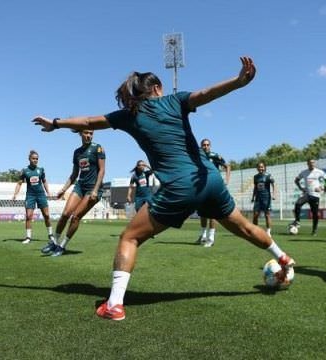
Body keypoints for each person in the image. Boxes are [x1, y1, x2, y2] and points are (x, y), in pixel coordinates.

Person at [32, 56, 295, 321]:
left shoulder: (129, 115)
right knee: (246, 228)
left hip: (180, 187)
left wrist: (55, 123)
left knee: (129, 238)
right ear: (157, 87)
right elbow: (206, 94)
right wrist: (238, 82)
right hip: (209, 180)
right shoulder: (175, 101)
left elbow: (89, 121)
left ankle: (113, 305)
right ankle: (283, 258)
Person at [40, 129, 106, 257]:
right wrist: (63, 190)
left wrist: (96, 190)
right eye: (86, 133)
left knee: (75, 217)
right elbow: (74, 174)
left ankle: (62, 246)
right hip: (80, 186)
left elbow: (102, 170)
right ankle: (53, 242)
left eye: (91, 133)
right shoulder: (77, 152)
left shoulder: (98, 148)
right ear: (80, 134)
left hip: (93, 189)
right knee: (65, 214)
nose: (88, 135)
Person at [12, 150, 55, 245]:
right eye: (33, 158)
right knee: (28, 216)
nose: (35, 160)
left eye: (37, 159)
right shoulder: (24, 171)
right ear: (29, 159)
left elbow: (44, 181)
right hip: (30, 196)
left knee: (46, 215)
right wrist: (15, 194)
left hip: (41, 195)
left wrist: (48, 192)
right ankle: (28, 237)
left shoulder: (41, 170)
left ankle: (51, 235)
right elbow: (19, 183)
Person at [197, 138, 231, 247]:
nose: (205, 146)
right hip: (201, 187)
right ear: (201, 146)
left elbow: (227, 166)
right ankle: (203, 236)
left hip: (213, 186)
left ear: (210, 146)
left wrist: (227, 180)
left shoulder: (214, 156)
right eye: (204, 145)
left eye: (207, 145)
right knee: (202, 213)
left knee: (212, 212)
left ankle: (211, 238)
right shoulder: (197, 156)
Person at [291, 159, 326, 236]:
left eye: (313, 162)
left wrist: (322, 188)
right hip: (307, 194)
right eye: (310, 163)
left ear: (315, 163)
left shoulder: (319, 172)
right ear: (307, 164)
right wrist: (301, 188)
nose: (312, 164)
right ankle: (297, 221)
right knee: (298, 203)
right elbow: (296, 180)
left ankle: (314, 230)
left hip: (315, 195)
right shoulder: (304, 172)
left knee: (315, 214)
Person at [251, 161, 276, 235]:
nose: (260, 168)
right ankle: (255, 231)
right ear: (257, 168)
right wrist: (253, 197)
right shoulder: (255, 177)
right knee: (255, 215)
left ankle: (268, 232)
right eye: (259, 167)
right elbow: (255, 187)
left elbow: (273, 184)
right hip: (258, 198)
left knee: (267, 215)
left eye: (262, 167)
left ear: (264, 167)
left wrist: (274, 194)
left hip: (266, 198)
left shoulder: (268, 176)